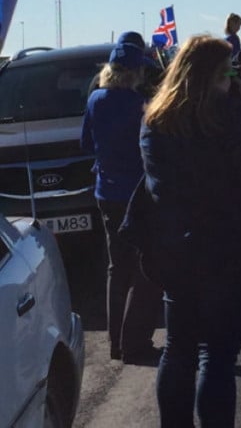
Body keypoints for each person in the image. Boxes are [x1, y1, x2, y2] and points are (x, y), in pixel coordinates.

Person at [140, 35, 241, 428]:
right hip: (234, 251)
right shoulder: (233, 118)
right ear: (214, 76)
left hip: (179, 251)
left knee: (178, 349)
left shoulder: (156, 121)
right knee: (216, 357)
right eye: (228, 70)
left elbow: (161, 190)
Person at [80, 39, 162, 364]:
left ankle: (116, 343)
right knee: (144, 269)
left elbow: (86, 143)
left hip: (106, 193)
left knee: (117, 268)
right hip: (137, 195)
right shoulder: (140, 104)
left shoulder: (95, 100)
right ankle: (135, 341)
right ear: (135, 72)